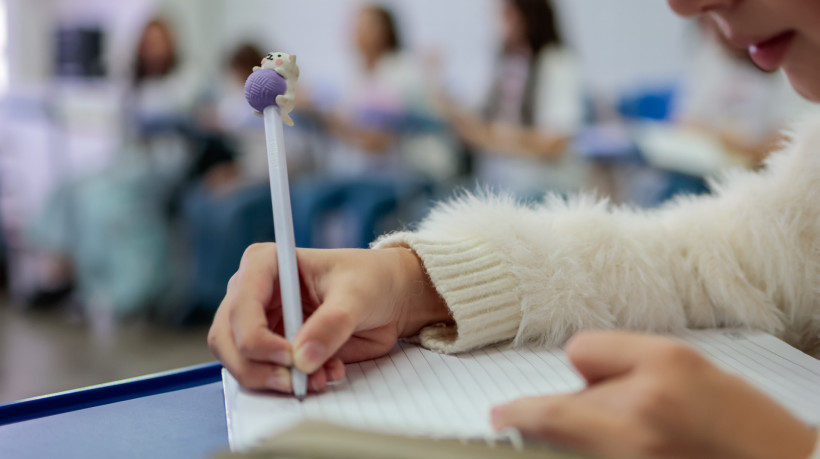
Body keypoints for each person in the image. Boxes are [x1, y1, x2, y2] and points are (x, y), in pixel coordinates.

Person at [209, 0, 820, 457]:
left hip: (529, 178)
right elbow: (725, 262)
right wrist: (417, 281)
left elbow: (546, 143)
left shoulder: (552, 68)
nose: (684, 5)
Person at [443, 0, 587, 197]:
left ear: (529, 17)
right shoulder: (500, 60)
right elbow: (468, 116)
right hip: (494, 177)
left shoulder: (557, 62)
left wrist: (491, 137)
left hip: (541, 181)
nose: (500, 25)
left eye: (508, 16)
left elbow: (555, 142)